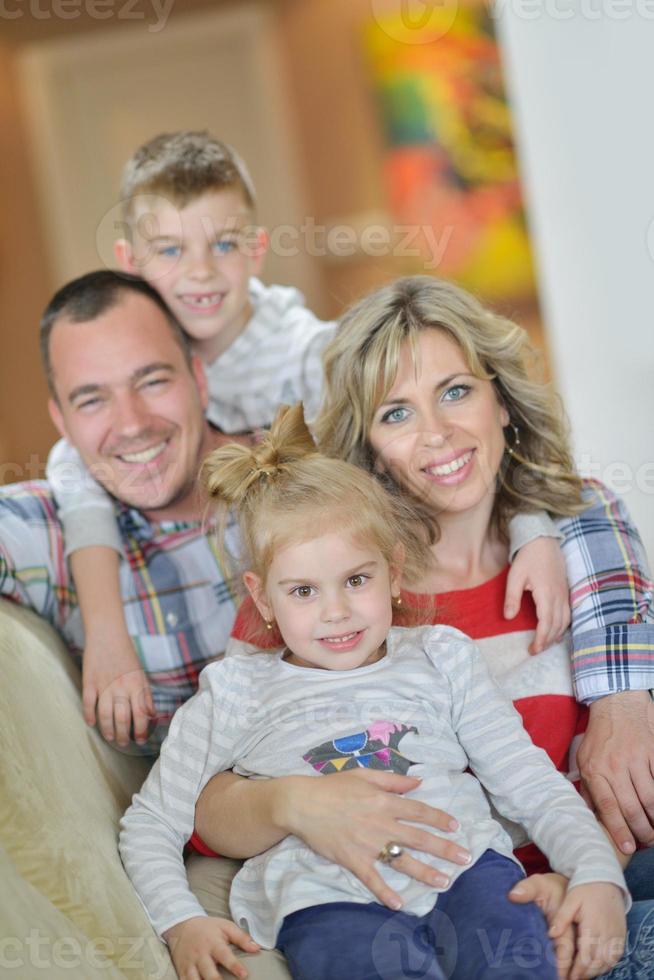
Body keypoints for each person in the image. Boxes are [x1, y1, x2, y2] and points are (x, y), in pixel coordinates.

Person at [191, 277, 654, 979]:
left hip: (602, 885)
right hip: (458, 916)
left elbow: (624, 768)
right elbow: (204, 807)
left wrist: (588, 878)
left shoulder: (579, 541)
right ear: (371, 447)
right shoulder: (330, 590)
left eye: (457, 391)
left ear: (501, 398)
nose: (437, 433)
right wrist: (292, 801)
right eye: (397, 413)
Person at [45, 131, 567, 750]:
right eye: (170, 251)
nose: (200, 272)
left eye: (222, 244)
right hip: (266, 609)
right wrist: (107, 634)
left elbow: (457, 451)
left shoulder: (306, 354)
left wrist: (532, 526)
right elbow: (72, 470)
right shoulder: (134, 374)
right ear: (131, 260)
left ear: (258, 249)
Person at [119, 404, 629, 980]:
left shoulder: (441, 656)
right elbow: (152, 822)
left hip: (469, 873)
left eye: (356, 580)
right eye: (303, 590)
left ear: (394, 572)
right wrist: (181, 920)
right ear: (262, 599)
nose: (336, 612)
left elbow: (532, 784)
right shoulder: (235, 690)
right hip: (327, 902)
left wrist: (596, 874)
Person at [0, 269, 244, 749]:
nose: (131, 424)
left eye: (151, 381)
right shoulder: (48, 532)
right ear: (62, 421)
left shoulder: (301, 478)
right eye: (92, 400)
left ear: (198, 377)